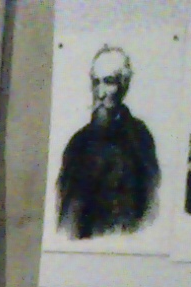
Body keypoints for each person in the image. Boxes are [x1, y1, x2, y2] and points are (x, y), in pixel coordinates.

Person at [55, 45, 161, 241]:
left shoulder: (140, 137)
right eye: (96, 82)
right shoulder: (78, 144)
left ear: (124, 85)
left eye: (109, 82)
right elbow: (67, 217)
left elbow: (150, 204)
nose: (100, 93)